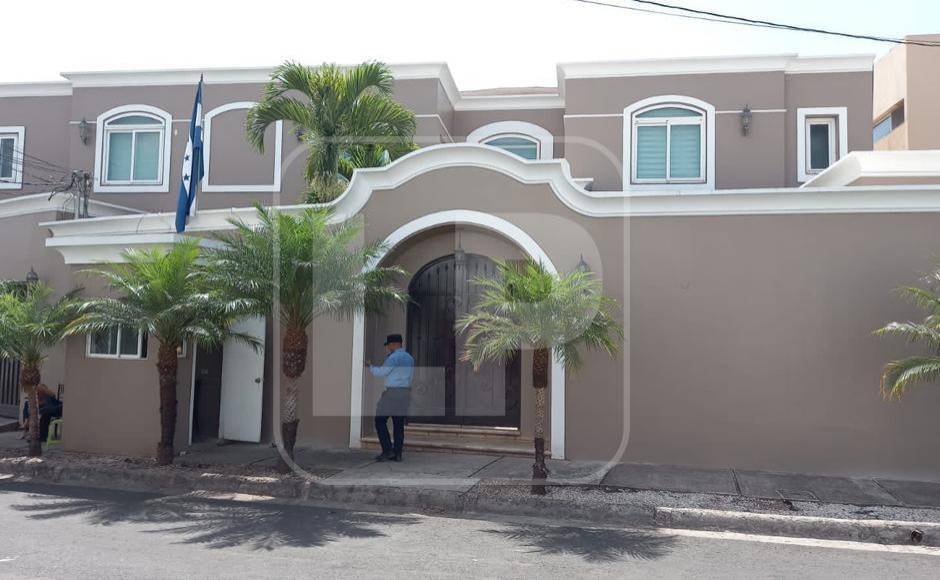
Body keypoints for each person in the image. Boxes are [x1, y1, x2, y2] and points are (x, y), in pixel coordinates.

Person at [365, 333, 414, 462]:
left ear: (393, 344)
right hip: (405, 393)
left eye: (389, 345)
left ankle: (387, 451)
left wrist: (369, 367)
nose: (388, 348)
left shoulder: (393, 358)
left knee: (380, 420)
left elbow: (382, 372)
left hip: (392, 393)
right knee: (398, 424)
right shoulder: (409, 358)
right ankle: (397, 453)